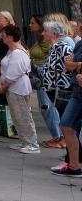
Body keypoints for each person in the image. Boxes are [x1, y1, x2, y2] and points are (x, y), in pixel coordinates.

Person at [0, 24, 40, 154]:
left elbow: (13, 74)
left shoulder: (17, 53)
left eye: (3, 36)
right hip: (14, 88)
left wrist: (3, 85)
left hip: (18, 88)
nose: (2, 38)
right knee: (17, 115)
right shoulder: (13, 51)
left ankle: (32, 143)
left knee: (23, 115)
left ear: (10, 37)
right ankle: (25, 140)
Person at [39, 16, 75, 149]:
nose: (43, 33)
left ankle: (70, 150)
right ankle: (69, 150)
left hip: (62, 89)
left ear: (53, 33)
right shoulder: (54, 47)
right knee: (62, 118)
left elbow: (70, 66)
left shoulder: (62, 47)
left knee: (66, 121)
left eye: (45, 31)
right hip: (54, 89)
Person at [53, 31, 82, 177]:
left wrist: (75, 65)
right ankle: (74, 165)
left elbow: (71, 65)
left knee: (68, 125)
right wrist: (77, 65)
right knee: (66, 125)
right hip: (77, 91)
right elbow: (68, 66)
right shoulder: (79, 44)